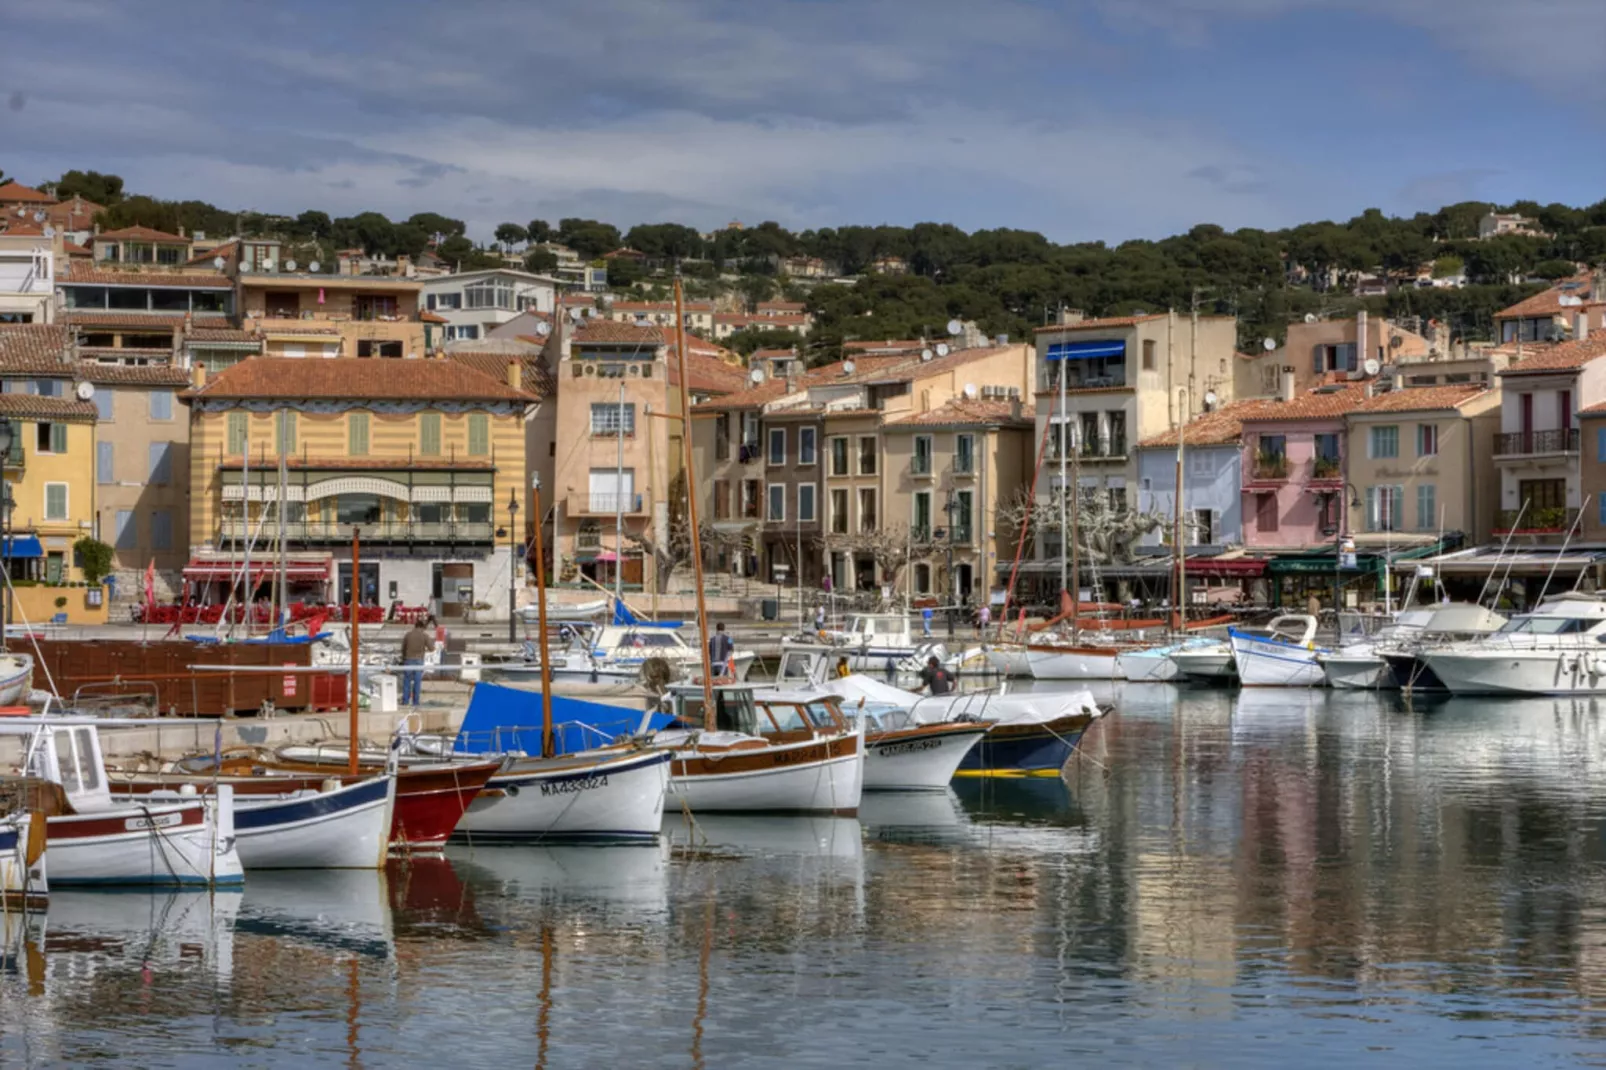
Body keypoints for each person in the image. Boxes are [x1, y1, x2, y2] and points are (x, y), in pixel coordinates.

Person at [400, 618, 431, 708]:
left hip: (408, 660)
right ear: (422, 627)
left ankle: (405, 702)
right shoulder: (424, 635)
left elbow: (403, 648)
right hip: (419, 661)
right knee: (417, 682)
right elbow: (432, 648)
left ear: (415, 626)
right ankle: (415, 702)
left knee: (407, 682)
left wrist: (404, 658)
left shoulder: (408, 635)